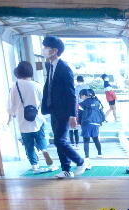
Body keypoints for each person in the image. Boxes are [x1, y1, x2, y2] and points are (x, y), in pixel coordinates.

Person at [41, 36, 90, 178]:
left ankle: (81, 161)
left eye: (46, 47)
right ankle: (66, 169)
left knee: (59, 140)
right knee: (59, 140)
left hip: (63, 111)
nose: (44, 50)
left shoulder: (64, 68)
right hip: (54, 110)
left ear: (54, 51)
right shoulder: (51, 66)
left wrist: (73, 115)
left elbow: (71, 94)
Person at [6, 61, 55, 173]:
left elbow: (11, 105)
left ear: (18, 72)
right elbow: (45, 102)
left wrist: (11, 115)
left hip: (22, 120)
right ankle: (45, 152)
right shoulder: (36, 85)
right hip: (37, 118)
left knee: (29, 145)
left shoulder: (14, 86)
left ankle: (34, 165)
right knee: (41, 138)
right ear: (30, 72)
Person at [78, 89, 105, 162]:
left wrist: (79, 123)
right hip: (96, 123)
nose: (81, 97)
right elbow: (101, 113)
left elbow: (80, 115)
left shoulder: (82, 104)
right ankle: (100, 154)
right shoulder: (97, 102)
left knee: (86, 140)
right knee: (96, 139)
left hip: (86, 123)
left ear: (84, 95)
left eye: (81, 96)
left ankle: (87, 157)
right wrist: (101, 121)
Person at [68, 75, 88, 148]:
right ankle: (76, 143)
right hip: (83, 105)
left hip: (78, 106)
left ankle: (74, 144)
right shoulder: (86, 87)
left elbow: (75, 98)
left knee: (73, 128)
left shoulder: (76, 88)